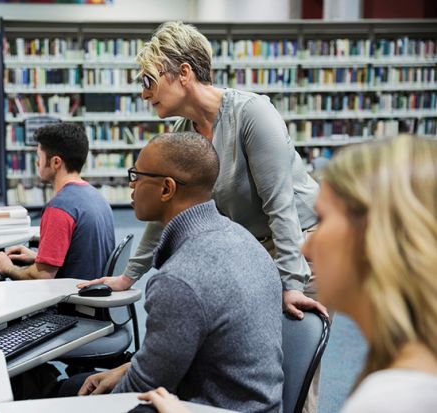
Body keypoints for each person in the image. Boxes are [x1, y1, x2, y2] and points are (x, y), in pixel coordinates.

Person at [136, 134, 437, 413]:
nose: (306, 250)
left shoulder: (395, 398)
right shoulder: (406, 372)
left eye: (324, 219)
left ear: (377, 237)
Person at [80, 21, 326, 321]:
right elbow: (166, 207)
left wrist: (291, 283)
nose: (144, 94)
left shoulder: (252, 115)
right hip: (254, 250)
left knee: (296, 358)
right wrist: (128, 277)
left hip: (303, 248)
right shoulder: (185, 133)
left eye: (149, 81)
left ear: (184, 73)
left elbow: (281, 205)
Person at [71, 132, 284, 412]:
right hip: (252, 403)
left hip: (208, 406)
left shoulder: (180, 279)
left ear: (166, 189)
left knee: (72, 394)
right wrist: (127, 368)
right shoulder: (242, 238)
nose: (131, 185)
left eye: (137, 175)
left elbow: (142, 388)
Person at [0, 123, 115, 280]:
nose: (37, 162)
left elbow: (41, 278)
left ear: (56, 163)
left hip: (70, 299)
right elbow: (82, 254)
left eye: (39, 157)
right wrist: (39, 257)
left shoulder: (59, 208)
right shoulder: (97, 196)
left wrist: (7, 267)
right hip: (93, 291)